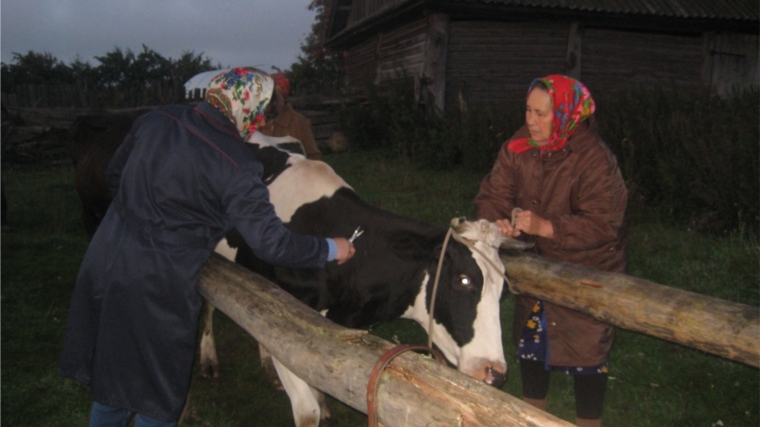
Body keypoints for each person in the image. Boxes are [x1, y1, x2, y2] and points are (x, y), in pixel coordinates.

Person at [59, 67, 356, 427]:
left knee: (112, 377)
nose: (262, 119)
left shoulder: (158, 117)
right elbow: (272, 243)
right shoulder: (238, 162)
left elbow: (114, 176)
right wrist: (329, 248)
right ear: (249, 108)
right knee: (156, 396)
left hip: (106, 258)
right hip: (158, 284)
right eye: (262, 109)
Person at [474, 75, 627, 427]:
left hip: (588, 271)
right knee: (531, 341)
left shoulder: (594, 160)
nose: (530, 121)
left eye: (541, 114)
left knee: (587, 353)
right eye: (528, 110)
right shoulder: (519, 145)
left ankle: (588, 423)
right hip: (536, 267)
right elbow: (493, 194)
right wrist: (498, 222)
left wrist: (547, 227)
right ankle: (532, 418)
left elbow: (604, 224)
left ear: (566, 117)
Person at [259, 72, 322, 160]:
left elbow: (313, 156)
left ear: (281, 98)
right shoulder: (256, 121)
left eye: (272, 96)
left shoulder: (299, 122)